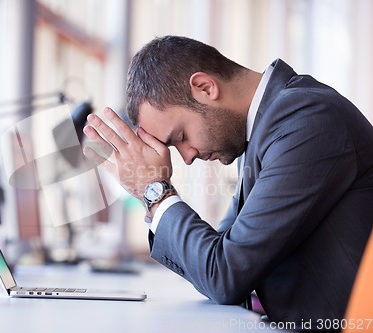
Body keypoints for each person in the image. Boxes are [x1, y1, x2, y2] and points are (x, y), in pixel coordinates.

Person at [82, 35, 373, 327]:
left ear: (205, 87)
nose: (186, 157)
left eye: (181, 137)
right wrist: (152, 192)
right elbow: (218, 259)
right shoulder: (264, 129)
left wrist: (153, 191)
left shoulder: (305, 121)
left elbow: (224, 274)